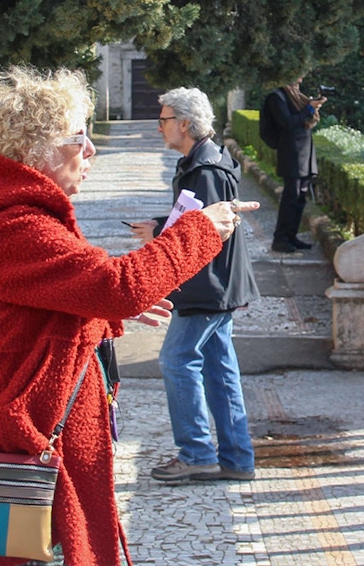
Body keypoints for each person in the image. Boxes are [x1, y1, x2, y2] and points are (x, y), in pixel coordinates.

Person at [0, 67, 255, 566]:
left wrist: (105, 316)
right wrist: (197, 230)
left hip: (27, 441)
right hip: (15, 448)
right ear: (38, 149)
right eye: (80, 137)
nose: (91, 149)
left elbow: (50, 308)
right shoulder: (16, 225)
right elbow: (115, 285)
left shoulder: (18, 216)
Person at [127, 87, 261, 482]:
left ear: (184, 124)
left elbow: (210, 231)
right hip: (216, 284)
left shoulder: (204, 169)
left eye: (165, 119)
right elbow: (193, 218)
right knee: (220, 371)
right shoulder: (202, 161)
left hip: (207, 285)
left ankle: (197, 453)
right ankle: (237, 460)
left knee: (175, 359)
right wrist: (159, 224)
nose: (159, 127)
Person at [265, 77, 326, 253]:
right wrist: (309, 108)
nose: (301, 78)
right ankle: (280, 238)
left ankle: (291, 236)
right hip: (291, 152)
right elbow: (288, 123)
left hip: (304, 150)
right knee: (291, 196)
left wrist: (311, 106)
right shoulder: (278, 97)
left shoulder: (297, 95)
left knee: (300, 197)